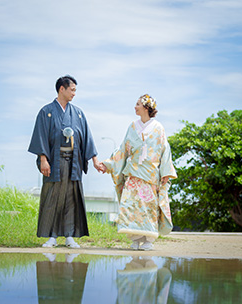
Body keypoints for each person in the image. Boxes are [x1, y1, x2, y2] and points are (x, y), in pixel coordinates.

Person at [28, 75, 104, 248]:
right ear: (62, 89)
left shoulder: (78, 113)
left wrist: (95, 160)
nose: (74, 94)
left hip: (73, 161)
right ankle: (52, 236)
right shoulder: (46, 112)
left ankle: (70, 236)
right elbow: (41, 136)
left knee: (71, 198)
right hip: (54, 161)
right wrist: (43, 159)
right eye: (72, 90)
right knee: (52, 197)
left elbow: (87, 137)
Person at [101, 94, 177, 250]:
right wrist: (109, 164)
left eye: (137, 104)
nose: (135, 107)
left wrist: (166, 172)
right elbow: (123, 149)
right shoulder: (132, 126)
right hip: (133, 173)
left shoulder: (158, 127)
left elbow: (165, 150)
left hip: (150, 174)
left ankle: (148, 240)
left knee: (148, 208)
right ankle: (135, 239)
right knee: (132, 207)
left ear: (146, 107)